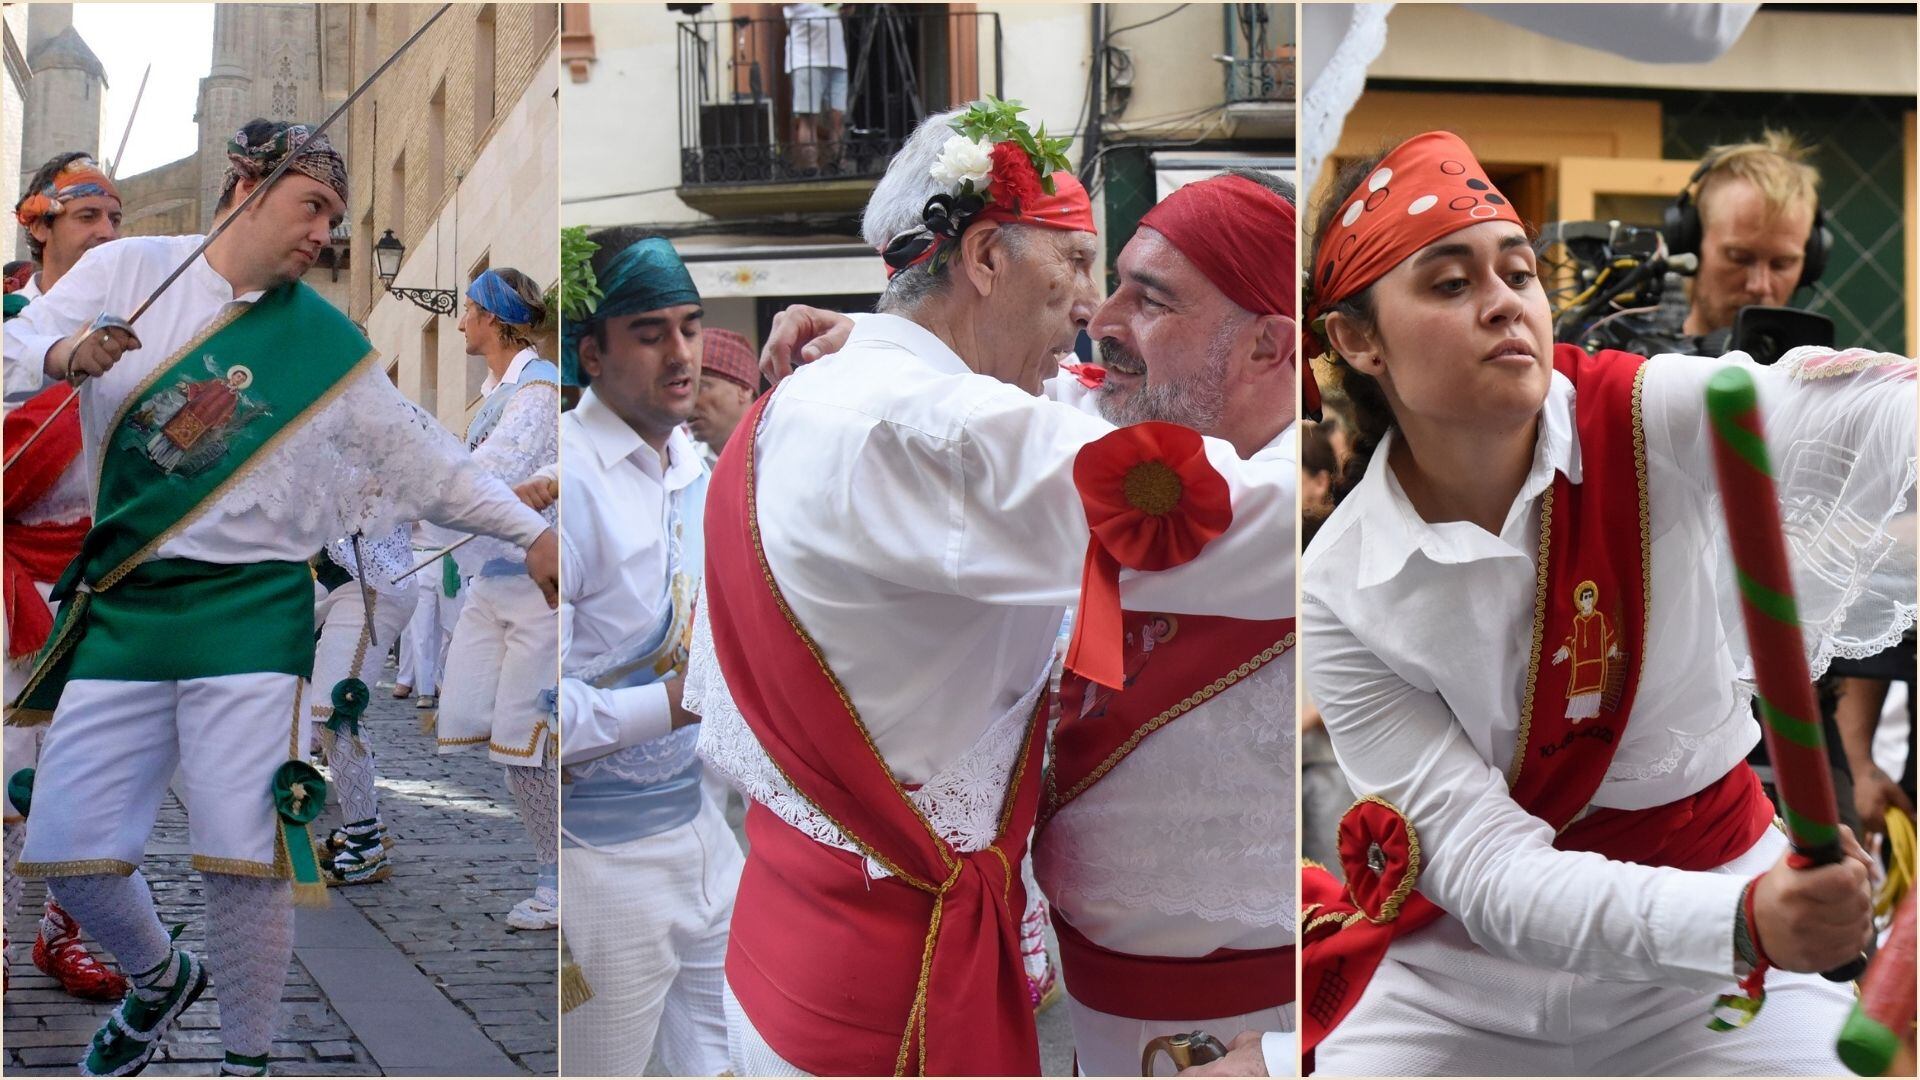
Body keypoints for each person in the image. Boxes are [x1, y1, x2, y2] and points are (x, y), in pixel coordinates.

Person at [685, 101, 1294, 1077]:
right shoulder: (936, 428)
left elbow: (1052, 409)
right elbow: (1221, 517)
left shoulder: (827, 395)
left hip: (799, 945)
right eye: (1080, 266)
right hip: (889, 999)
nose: (1092, 311)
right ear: (985, 260)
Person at [1297, 130, 1910, 1075]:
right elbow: (1492, 873)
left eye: (1517, 272)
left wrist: (1748, 920)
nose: (1505, 300)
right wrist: (1744, 923)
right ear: (1357, 339)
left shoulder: (1645, 412)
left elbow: (1845, 415)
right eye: (1450, 284)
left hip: (1716, 940)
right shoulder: (1341, 586)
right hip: (1470, 977)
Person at [3, 119, 559, 1078]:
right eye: (313, 209)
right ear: (248, 189)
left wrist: (534, 531)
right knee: (70, 848)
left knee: (241, 855)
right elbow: (18, 344)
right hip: (128, 600)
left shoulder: (320, 341)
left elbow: (425, 460)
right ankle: (160, 976)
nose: (325, 235)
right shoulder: (128, 268)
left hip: (253, 615)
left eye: (337, 219)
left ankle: (247, 1060)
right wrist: (64, 360)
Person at [1028, 169, 1301, 1078]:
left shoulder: (1326, 508)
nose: (1101, 321)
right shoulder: (1087, 417)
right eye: (1112, 285)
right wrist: (865, 340)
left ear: (1268, 348)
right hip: (1087, 1009)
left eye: (1148, 301)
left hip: (1270, 1025)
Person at [555, 233, 744, 1076]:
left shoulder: (691, 467)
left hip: (704, 832)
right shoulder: (570, 479)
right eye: (651, 332)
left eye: (692, 328)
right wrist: (675, 702)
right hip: (598, 865)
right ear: (592, 352)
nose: (683, 356)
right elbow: (536, 716)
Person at [3, 151, 127, 1003]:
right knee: (4, 770)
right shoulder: (11, 326)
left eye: (117, 219)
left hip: (96, 577)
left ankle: (62, 933)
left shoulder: (138, 328)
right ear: (38, 224)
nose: (109, 234)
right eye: (89, 217)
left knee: (91, 775)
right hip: (9, 570)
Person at [432, 267, 563, 932]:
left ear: (493, 318)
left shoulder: (536, 390)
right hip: (494, 576)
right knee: (472, 711)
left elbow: (499, 469)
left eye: (467, 310)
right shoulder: (500, 391)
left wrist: (428, 484)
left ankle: (560, 877)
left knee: (525, 739)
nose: (458, 321)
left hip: (536, 583)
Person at [308, 527, 418, 885]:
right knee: (310, 711)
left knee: (335, 712)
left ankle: (366, 842)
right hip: (325, 579)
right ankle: (368, 824)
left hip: (373, 583)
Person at [1673, 131, 1824, 345]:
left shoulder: (1819, 377)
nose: (1760, 286)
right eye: (1739, 258)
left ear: (1810, 263)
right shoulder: (1646, 373)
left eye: (1782, 264)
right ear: (1692, 245)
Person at [783, 3, 847, 172]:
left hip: (836, 58)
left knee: (837, 116)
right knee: (809, 117)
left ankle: (837, 164)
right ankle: (810, 167)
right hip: (806, 60)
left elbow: (847, 10)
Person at [687, 327, 757, 463]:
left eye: (702, 387)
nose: (688, 402)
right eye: (684, 388)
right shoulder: (683, 464)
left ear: (744, 389)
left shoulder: (777, 453)